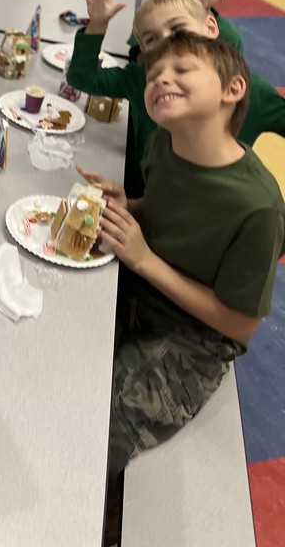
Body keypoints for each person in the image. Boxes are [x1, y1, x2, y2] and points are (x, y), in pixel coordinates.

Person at [79, 32, 285, 544]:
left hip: (194, 340)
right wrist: (131, 209)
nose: (160, 79)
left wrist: (145, 261)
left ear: (233, 89)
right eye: (153, 75)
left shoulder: (258, 206)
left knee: (86, 431)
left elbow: (238, 325)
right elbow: (163, 207)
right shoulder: (166, 144)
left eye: (181, 70)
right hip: (142, 285)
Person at [67, 0, 285, 194]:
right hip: (142, 195)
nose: (167, 42)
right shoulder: (143, 80)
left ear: (210, 27)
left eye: (178, 30)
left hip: (214, 211)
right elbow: (82, 77)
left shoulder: (251, 92)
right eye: (152, 39)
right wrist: (97, 25)